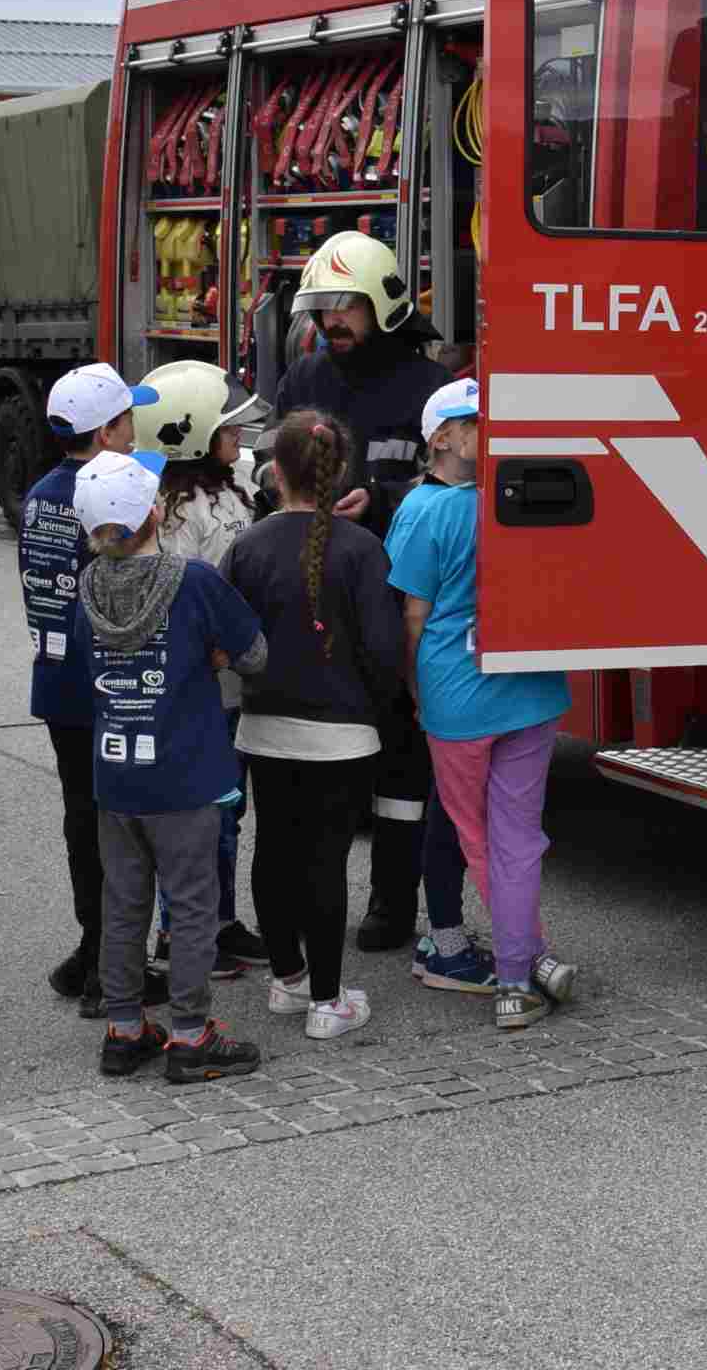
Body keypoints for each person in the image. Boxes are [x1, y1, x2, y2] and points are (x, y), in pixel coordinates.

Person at [269, 230, 462, 956]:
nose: (328, 324)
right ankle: (305, 905)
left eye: (343, 306)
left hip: (397, 595)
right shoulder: (303, 380)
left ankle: (392, 901)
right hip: (318, 597)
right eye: (319, 310)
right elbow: (270, 464)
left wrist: (376, 499)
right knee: (318, 763)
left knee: (403, 762)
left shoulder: (426, 389)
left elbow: (448, 481)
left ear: (382, 303)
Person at [67, 448, 269, 1084]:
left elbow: (81, 671)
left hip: (116, 774)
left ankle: (125, 1028)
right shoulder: (193, 581)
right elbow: (255, 654)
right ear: (155, 512)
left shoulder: (88, 586)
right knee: (191, 904)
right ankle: (189, 1033)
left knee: (123, 901)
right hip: (185, 772)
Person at [386, 378, 579, 1032]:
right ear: (441, 437)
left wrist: (414, 691)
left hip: (457, 699)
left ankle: (521, 974)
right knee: (516, 839)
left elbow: (413, 617)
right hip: (530, 687)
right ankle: (528, 968)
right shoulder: (519, 496)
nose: (485, 427)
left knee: (482, 838)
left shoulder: (419, 511)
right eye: (472, 421)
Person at [222, 410, 410, 1038]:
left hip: (264, 726)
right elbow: (385, 653)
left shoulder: (246, 546)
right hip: (344, 731)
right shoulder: (363, 549)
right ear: (341, 472)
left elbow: (228, 638)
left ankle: (287, 978)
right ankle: (329, 1001)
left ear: (273, 472)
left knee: (273, 851)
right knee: (325, 862)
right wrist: (385, 709)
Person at [24, 360, 159, 1018]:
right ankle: (112, 967)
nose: (136, 429)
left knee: (83, 821)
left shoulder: (41, 494)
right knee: (121, 829)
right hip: (110, 687)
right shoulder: (109, 493)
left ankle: (91, 948)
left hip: (56, 683)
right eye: (128, 419)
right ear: (106, 432)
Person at [138, 359, 272, 980]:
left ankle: (218, 920)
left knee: (230, 811)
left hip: (238, 680)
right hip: (203, 686)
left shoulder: (232, 485)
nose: (239, 440)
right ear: (188, 435)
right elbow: (180, 597)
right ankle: (179, 931)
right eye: (228, 430)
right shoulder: (171, 510)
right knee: (204, 814)